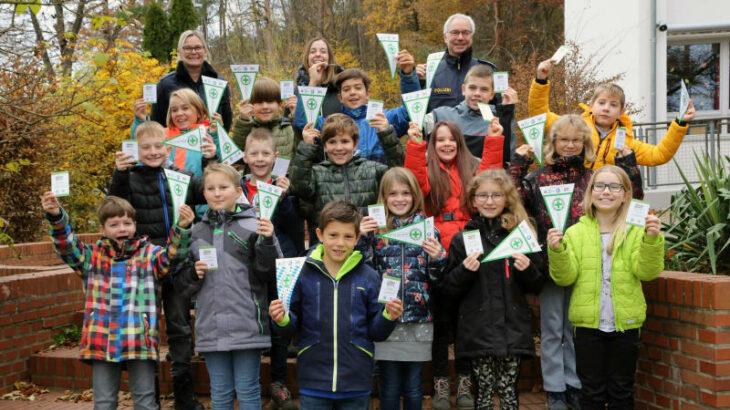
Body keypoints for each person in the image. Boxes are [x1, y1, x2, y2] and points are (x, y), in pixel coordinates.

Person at [508, 114, 642, 410]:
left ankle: (577, 385)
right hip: (550, 263)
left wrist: (628, 165)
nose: (569, 145)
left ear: (585, 143)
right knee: (553, 329)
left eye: (576, 140)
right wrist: (518, 165)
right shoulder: (538, 177)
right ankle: (556, 389)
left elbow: (631, 201)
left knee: (577, 329)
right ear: (553, 142)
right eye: (563, 139)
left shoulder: (591, 178)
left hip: (587, 264)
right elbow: (512, 200)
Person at [41, 193, 193, 410]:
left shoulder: (150, 254)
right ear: (103, 229)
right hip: (101, 337)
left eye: (127, 223)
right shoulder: (91, 257)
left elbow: (174, 257)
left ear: (135, 225)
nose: (122, 228)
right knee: (103, 403)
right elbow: (66, 246)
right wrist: (56, 216)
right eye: (114, 224)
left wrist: (182, 228)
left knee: (146, 400)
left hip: (139, 337)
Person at [404, 119, 503, 410]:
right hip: (435, 248)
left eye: (452, 140)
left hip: (467, 246)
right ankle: (440, 383)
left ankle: (463, 382)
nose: (446, 144)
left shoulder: (470, 168)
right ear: (432, 145)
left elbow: (488, 178)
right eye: (439, 140)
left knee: (464, 322)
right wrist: (414, 145)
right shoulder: (429, 170)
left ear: (459, 143)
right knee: (440, 324)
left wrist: (494, 141)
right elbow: (414, 180)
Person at [547, 165, 664, 409]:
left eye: (614, 186)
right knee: (591, 391)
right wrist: (557, 251)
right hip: (588, 326)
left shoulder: (635, 231)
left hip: (626, 325)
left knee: (622, 390)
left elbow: (646, 272)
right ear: (591, 192)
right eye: (600, 186)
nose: (606, 192)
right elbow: (565, 278)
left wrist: (652, 241)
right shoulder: (575, 232)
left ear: (625, 195)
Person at [108, 121, 206, 410]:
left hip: (176, 263)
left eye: (158, 146)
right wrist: (119, 173)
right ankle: (148, 398)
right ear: (136, 150)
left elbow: (208, 192)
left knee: (179, 326)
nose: (153, 152)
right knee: (145, 329)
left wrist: (211, 157)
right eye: (146, 147)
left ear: (168, 147)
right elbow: (115, 203)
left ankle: (184, 397)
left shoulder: (180, 176)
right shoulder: (130, 177)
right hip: (144, 266)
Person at [269, 200, 403, 409]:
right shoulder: (302, 273)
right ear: (320, 234)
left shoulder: (369, 277)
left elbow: (377, 332)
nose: (339, 243)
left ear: (357, 238)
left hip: (356, 380)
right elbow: (291, 326)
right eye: (333, 235)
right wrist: (282, 318)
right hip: (313, 379)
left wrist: (388, 316)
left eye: (348, 236)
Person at [176, 163, 281, 409]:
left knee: (248, 390)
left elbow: (269, 273)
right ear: (204, 194)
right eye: (210, 188)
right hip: (211, 326)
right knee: (220, 392)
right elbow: (182, 284)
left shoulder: (256, 225)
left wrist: (267, 240)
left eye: (223, 187)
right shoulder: (195, 232)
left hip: (247, 324)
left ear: (237, 190)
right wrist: (193, 273)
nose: (217, 193)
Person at [442, 169, 544, 410]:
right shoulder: (463, 239)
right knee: (484, 394)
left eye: (496, 195)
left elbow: (537, 284)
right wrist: (463, 271)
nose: (489, 201)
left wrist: (528, 268)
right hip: (478, 330)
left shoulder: (520, 235)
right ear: (474, 200)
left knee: (509, 393)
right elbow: (447, 290)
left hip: (513, 328)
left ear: (507, 198)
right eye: (483, 195)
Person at [357, 167, 447, 410]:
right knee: (389, 384)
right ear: (383, 197)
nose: (399, 199)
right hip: (386, 318)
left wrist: (439, 257)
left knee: (414, 384)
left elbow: (438, 277)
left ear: (415, 195)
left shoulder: (427, 228)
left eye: (405, 193)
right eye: (392, 194)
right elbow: (364, 270)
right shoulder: (377, 228)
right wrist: (363, 239)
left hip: (419, 318)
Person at [530, 58, 696, 169]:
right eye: (601, 103)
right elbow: (540, 117)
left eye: (613, 104)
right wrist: (541, 80)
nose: (606, 108)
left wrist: (679, 124)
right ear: (591, 105)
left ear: (621, 111)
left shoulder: (627, 142)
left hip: (606, 202)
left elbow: (659, 155)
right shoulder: (571, 126)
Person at [397, 14, 517, 155]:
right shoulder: (428, 71)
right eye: (455, 32)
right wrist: (411, 77)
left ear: (471, 36)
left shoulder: (489, 72)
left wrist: (508, 161)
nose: (460, 37)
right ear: (445, 37)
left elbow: (504, 119)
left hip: (479, 154)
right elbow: (413, 112)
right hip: (439, 155)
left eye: (465, 33)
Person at [289, 113, 403, 229]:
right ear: (324, 146)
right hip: (331, 243)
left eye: (344, 141)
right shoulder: (316, 173)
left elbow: (398, 173)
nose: (339, 148)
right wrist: (307, 146)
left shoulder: (372, 169)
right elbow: (299, 186)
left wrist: (387, 134)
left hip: (370, 242)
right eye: (332, 142)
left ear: (355, 144)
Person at [294, 68, 408, 166]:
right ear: (340, 98)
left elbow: (410, 112)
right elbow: (304, 122)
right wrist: (312, 82)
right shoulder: (331, 124)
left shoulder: (384, 118)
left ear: (368, 94)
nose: (352, 92)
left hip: (381, 188)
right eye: (346, 89)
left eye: (358, 88)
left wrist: (408, 75)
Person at [150, 30, 233, 131]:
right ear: (180, 51)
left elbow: (226, 122)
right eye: (188, 48)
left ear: (205, 50)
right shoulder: (165, 85)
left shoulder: (218, 83)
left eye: (197, 47)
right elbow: (156, 125)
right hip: (176, 145)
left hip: (211, 144)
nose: (193, 52)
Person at [133, 88, 219, 178]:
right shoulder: (162, 134)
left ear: (198, 112)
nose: (179, 113)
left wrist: (217, 135)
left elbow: (220, 165)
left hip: (196, 189)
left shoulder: (208, 134)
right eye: (174, 110)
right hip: (165, 189)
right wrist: (140, 121)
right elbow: (138, 151)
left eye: (185, 108)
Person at [231, 77, 298, 160]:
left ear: (280, 104)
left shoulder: (288, 128)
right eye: (259, 102)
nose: (265, 107)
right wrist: (243, 121)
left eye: (270, 101)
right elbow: (236, 158)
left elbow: (300, 153)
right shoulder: (246, 128)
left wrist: (296, 116)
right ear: (251, 105)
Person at [294, 37, 344, 121]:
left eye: (323, 51)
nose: (318, 54)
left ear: (329, 57)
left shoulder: (342, 86)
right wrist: (312, 82)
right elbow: (297, 125)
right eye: (313, 52)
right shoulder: (296, 90)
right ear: (307, 58)